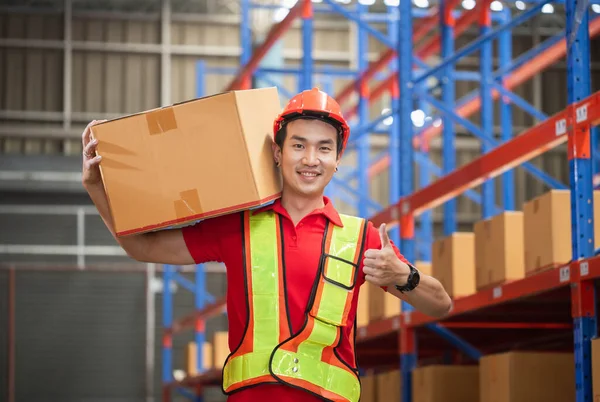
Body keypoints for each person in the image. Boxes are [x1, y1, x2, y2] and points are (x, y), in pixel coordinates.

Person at [82, 87, 452, 402]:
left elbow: (440, 305)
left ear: (337, 159)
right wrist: (97, 187)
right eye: (298, 145)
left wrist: (405, 275)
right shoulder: (236, 227)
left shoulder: (362, 238)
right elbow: (143, 248)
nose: (310, 159)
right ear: (278, 152)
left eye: (324, 148)